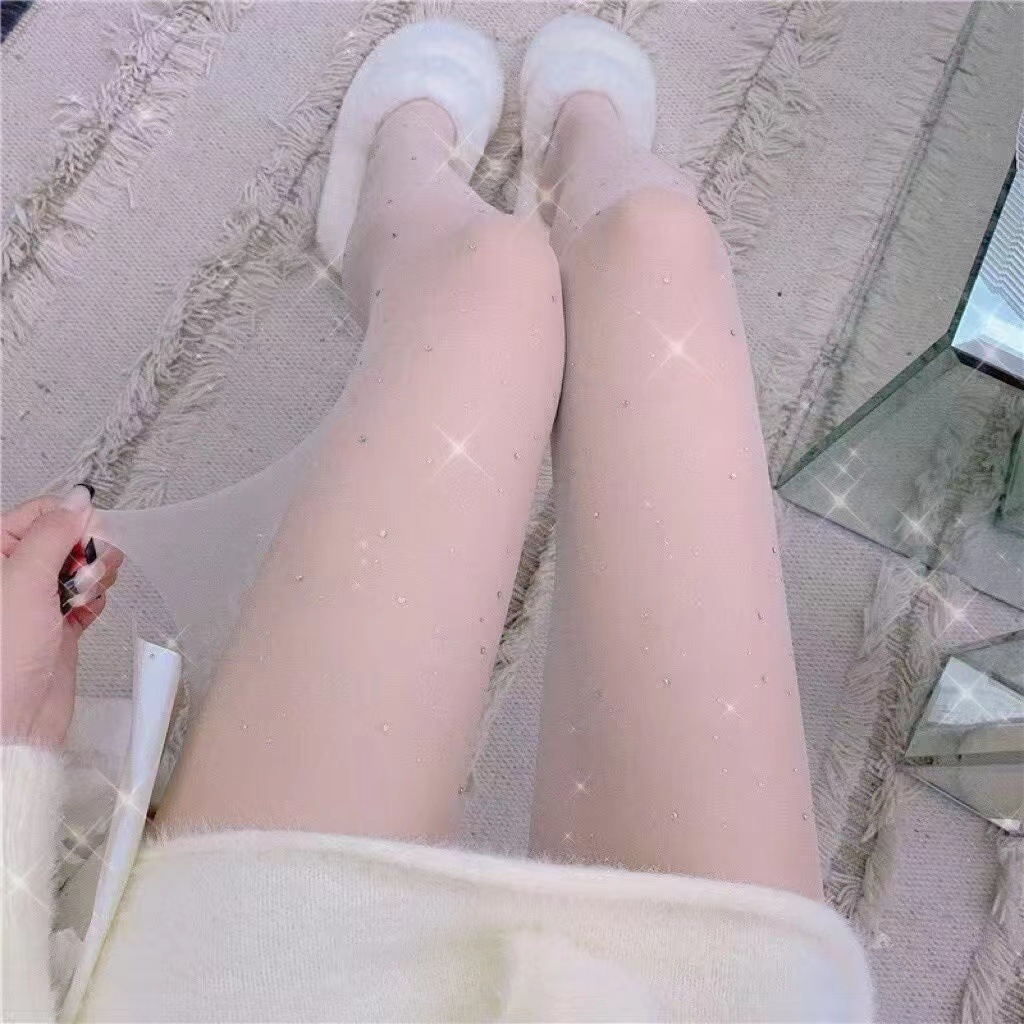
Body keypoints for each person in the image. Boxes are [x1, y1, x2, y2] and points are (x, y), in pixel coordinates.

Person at [1, 14, 872, 1021]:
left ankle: (417, 195)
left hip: (268, 968)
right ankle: (582, 161)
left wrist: (12, 747)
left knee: (488, 279)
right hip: (729, 991)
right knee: (660, 245)